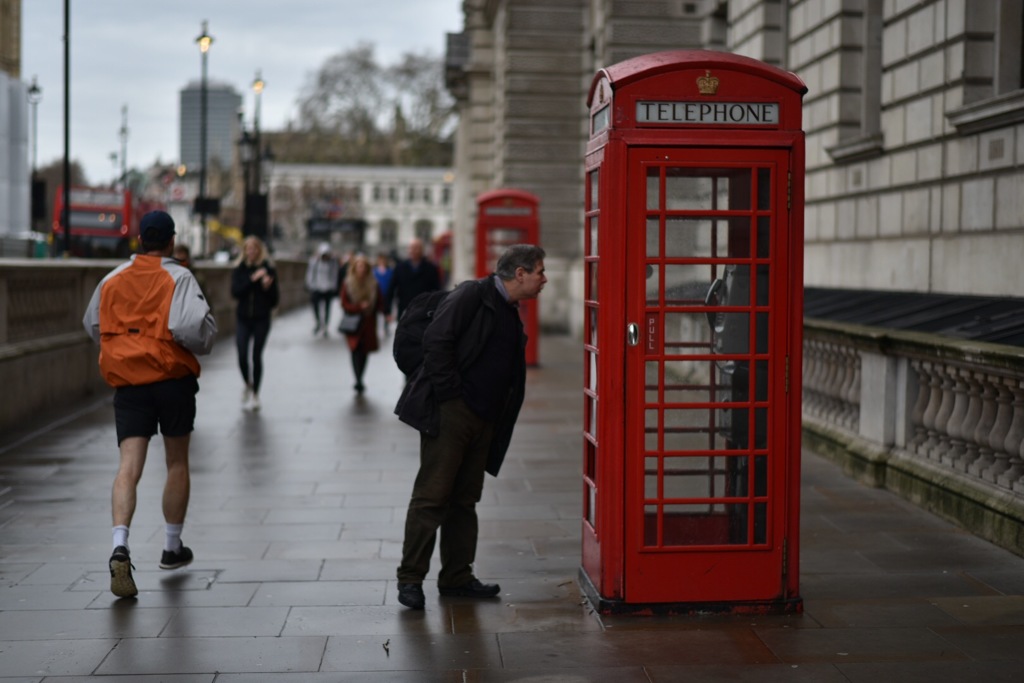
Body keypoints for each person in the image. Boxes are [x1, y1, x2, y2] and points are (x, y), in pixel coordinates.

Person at [393, 244, 547, 610]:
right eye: (540, 271)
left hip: (484, 418)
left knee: (464, 500)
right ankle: (410, 579)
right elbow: (436, 340)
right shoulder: (471, 295)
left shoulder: (509, 310)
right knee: (432, 496)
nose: (545, 279)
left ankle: (457, 577)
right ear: (520, 273)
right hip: (453, 413)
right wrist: (451, 398)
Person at [82, 210, 217, 599]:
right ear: (172, 240)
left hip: (130, 384)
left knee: (128, 467)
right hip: (172, 380)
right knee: (176, 461)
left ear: (141, 240)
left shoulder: (112, 279)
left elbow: (93, 325)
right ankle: (172, 548)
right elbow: (195, 331)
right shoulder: (179, 277)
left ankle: (119, 544)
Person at [231, 236, 279, 411]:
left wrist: (267, 287)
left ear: (260, 251)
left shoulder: (269, 270)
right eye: (248, 249)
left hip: (261, 318)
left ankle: (256, 393)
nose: (251, 253)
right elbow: (236, 292)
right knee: (242, 354)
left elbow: (275, 300)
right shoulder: (240, 269)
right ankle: (247, 383)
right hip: (243, 317)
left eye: (254, 249)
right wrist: (252, 280)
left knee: (256, 355)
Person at [339, 253, 384, 394]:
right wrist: (358, 307)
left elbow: (380, 302)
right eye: (359, 266)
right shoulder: (348, 283)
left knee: (364, 351)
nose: (361, 269)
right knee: (354, 350)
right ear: (354, 268)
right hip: (353, 322)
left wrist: (386, 313)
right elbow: (344, 303)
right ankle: (357, 379)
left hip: (368, 321)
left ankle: (361, 377)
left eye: (364, 266)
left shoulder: (373, 283)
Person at [388, 238, 442, 324]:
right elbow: (391, 289)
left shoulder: (431, 269)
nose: (413, 250)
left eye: (416, 248)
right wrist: (388, 311)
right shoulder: (399, 268)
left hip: (425, 312)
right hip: (404, 310)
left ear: (422, 250)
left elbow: (437, 291)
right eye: (411, 247)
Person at [305, 242, 340, 337]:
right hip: (316, 287)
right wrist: (310, 285)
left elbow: (334, 275)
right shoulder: (314, 262)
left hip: (328, 288)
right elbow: (310, 274)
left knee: (327, 308)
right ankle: (318, 322)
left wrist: (333, 286)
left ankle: (325, 326)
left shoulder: (333, 262)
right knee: (315, 306)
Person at [373, 252, 395, 336]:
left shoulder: (389, 271)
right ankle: (375, 328)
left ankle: (386, 327)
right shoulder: (374, 271)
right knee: (376, 312)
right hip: (377, 295)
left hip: (387, 295)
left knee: (386, 312)